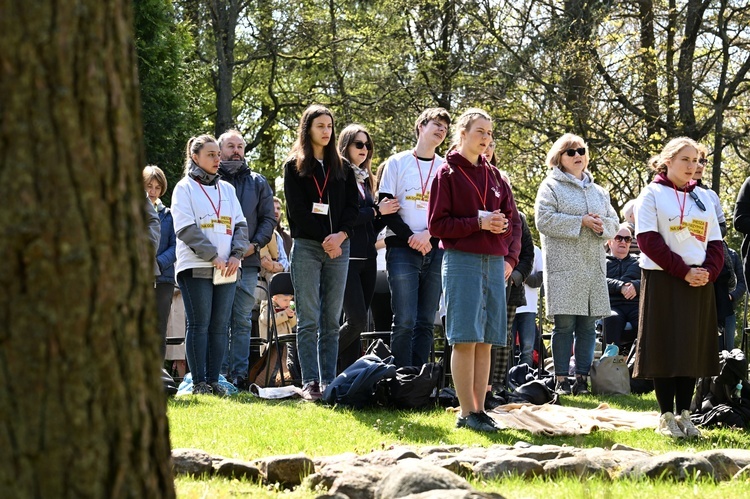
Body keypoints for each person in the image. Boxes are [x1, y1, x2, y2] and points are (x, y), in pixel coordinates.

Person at [429, 108, 521, 432]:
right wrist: (478, 223)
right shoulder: (447, 173)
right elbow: (437, 225)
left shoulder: (496, 176)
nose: (486, 138)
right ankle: (466, 411)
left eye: (490, 133)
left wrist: (501, 226)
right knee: (465, 338)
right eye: (480, 131)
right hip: (462, 261)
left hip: (493, 262)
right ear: (463, 134)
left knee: (487, 340)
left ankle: (481, 410)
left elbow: (511, 220)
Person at [633, 137, 723, 439]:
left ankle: (686, 414)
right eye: (685, 159)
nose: (692, 166)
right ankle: (666, 415)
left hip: (698, 281)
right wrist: (683, 271)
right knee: (665, 347)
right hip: (664, 279)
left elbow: (715, 242)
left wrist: (708, 272)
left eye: (696, 160)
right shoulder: (653, 193)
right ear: (667, 160)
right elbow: (648, 240)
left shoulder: (704, 197)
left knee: (690, 348)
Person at [283, 105, 359, 401]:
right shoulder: (294, 166)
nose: (326, 131)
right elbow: (297, 213)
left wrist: (340, 236)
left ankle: (329, 380)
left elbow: (353, 209)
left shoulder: (343, 168)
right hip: (308, 247)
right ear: (308, 130)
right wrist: (324, 238)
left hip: (340, 246)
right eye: (320, 126)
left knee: (331, 318)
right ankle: (311, 381)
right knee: (309, 317)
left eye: (329, 126)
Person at [534, 133, 619, 396]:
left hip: (593, 267)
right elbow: (543, 220)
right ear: (558, 157)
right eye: (570, 152)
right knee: (565, 326)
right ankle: (561, 379)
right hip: (564, 267)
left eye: (581, 150)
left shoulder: (599, 191)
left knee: (588, 327)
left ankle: (581, 379)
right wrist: (580, 221)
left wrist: (600, 225)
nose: (577, 155)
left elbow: (615, 224)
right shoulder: (550, 186)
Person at [172, 135, 249, 395]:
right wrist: (212, 256)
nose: (218, 159)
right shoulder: (184, 188)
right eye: (211, 155)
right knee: (199, 324)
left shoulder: (226, 189)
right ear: (195, 157)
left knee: (220, 326)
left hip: (227, 267)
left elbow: (240, 225)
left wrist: (237, 255)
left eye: (218, 154)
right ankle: (199, 383)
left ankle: (215, 381)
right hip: (197, 266)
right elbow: (185, 228)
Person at [378, 107, 452, 368]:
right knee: (405, 319)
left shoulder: (447, 168)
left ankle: (421, 382)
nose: (442, 130)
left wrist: (429, 235)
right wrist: (412, 237)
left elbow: (451, 211)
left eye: (445, 127)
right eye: (437, 124)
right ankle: (400, 379)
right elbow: (386, 206)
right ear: (421, 126)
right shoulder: (397, 163)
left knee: (425, 321)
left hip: (436, 248)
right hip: (401, 249)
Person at [336, 124, 400, 372]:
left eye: (368, 146)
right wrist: (376, 210)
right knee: (356, 320)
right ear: (346, 146)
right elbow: (346, 219)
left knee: (358, 325)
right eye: (358, 144)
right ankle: (314, 361)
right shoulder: (340, 177)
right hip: (347, 258)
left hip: (368, 259)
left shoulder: (366, 180)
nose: (365, 150)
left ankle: (348, 378)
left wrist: (385, 214)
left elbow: (370, 228)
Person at [216, 129, 277, 390]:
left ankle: (239, 375)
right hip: (217, 260)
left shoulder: (258, 181)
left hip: (249, 262)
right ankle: (217, 373)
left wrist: (254, 246)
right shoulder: (211, 180)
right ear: (219, 151)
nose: (237, 151)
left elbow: (268, 219)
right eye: (231, 146)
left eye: (240, 146)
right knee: (218, 319)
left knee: (241, 319)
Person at [143, 165, 176, 358]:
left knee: (159, 329)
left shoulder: (169, 215)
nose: (153, 192)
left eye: (157, 187)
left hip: (163, 278)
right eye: (149, 186)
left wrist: (156, 263)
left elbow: (176, 246)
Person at [602, 224, 640, 355]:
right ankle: (611, 363)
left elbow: (650, 282)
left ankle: (642, 363)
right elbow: (598, 281)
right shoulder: (601, 262)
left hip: (635, 306)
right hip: (612, 306)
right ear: (609, 241)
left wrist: (636, 286)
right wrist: (620, 286)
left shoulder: (640, 262)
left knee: (646, 321)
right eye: (619, 238)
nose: (623, 242)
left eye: (627, 239)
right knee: (612, 318)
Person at [514, 245, 543, 367]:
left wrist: (520, 276)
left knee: (528, 348)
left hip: (528, 308)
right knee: (504, 347)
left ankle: (525, 377)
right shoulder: (505, 246)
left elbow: (540, 279)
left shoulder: (534, 250)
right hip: (506, 306)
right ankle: (506, 379)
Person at [714, 240, 745, 352]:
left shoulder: (732, 254)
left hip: (728, 309)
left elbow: (742, 282)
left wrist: (731, 296)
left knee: (728, 350)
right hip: (710, 309)